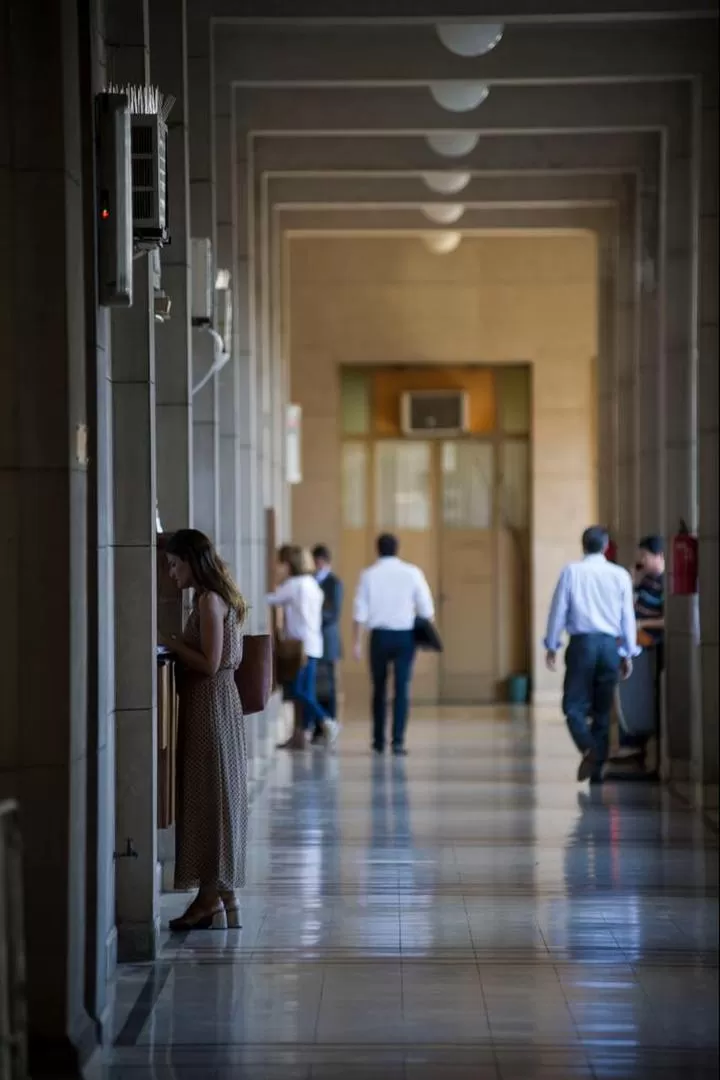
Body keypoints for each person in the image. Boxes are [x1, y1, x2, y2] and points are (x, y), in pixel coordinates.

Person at [160, 529, 247, 931]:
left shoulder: (210, 600)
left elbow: (210, 662)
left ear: (193, 562)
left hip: (210, 705)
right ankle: (218, 893)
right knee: (211, 795)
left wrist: (168, 642)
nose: (172, 572)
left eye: (176, 564)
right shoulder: (212, 597)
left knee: (209, 796)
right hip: (214, 704)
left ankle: (211, 897)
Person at [544, 525, 639, 784]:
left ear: (583, 545)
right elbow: (627, 616)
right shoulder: (620, 575)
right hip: (609, 646)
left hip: (582, 645)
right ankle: (597, 768)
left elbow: (558, 610)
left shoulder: (572, 572)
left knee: (573, 705)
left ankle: (589, 748)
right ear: (607, 545)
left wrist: (552, 644)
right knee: (602, 709)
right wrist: (627, 652)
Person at [353, 533, 435, 756]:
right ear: (397, 549)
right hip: (405, 637)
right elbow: (427, 609)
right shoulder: (412, 573)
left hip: (379, 637)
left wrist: (356, 643)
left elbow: (360, 611)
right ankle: (398, 741)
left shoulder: (368, 575)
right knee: (402, 688)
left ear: (377, 549)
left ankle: (378, 741)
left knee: (379, 688)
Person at [268, 544, 339, 749]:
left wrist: (275, 582)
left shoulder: (295, 584)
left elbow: (271, 599)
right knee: (305, 691)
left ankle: (327, 720)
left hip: (300, 647)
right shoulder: (311, 583)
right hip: (314, 645)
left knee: (299, 690)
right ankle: (300, 736)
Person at [611, 534, 665, 765]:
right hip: (634, 644)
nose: (641, 559)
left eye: (645, 555)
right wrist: (632, 581)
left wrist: (642, 624)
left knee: (641, 693)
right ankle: (629, 743)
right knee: (627, 691)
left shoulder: (664, 583)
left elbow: (669, 619)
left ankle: (635, 743)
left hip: (650, 646)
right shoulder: (646, 581)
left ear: (659, 556)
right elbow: (628, 606)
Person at [311, 544, 344, 741]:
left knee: (329, 686)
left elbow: (333, 613)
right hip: (315, 640)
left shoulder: (334, 583)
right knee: (315, 685)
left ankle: (330, 721)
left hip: (328, 640)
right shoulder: (311, 580)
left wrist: (312, 616)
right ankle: (318, 726)